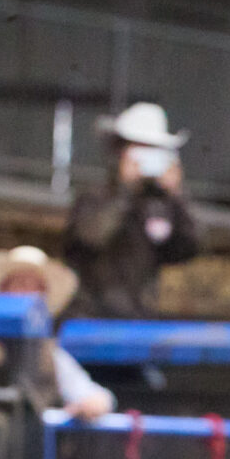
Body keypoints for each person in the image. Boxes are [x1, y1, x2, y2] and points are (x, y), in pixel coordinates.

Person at [62, 102, 199, 318]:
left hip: (137, 320)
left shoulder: (157, 205)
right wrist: (124, 191)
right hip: (90, 318)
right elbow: (92, 236)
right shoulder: (93, 198)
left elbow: (188, 248)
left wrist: (177, 197)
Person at [0, 244, 116, 420]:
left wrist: (92, 405)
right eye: (20, 284)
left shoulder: (51, 356)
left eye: (36, 288)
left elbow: (95, 395)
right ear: (2, 290)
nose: (28, 294)